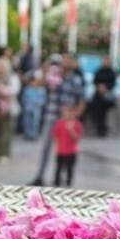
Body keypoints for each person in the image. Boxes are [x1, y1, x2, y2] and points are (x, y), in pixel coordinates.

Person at [32, 54, 85, 186]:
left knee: (65, 150)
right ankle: (40, 177)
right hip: (50, 117)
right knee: (46, 148)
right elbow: (37, 84)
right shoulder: (53, 74)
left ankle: (62, 179)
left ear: (73, 62)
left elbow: (82, 100)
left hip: (66, 121)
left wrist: (75, 117)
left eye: (68, 59)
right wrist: (44, 71)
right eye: (64, 59)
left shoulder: (76, 80)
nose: (65, 62)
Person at [0, 57, 21, 163]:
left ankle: (5, 154)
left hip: (8, 110)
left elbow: (14, 91)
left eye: (2, 67)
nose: (0, 69)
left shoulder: (13, 78)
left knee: (6, 133)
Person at [52, 105, 83, 187]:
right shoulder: (59, 123)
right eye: (65, 112)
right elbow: (55, 135)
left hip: (71, 151)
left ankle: (68, 183)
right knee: (58, 168)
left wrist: (71, 130)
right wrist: (57, 145)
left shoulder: (77, 124)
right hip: (61, 151)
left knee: (70, 169)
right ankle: (56, 183)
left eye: (70, 112)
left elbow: (77, 138)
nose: (68, 114)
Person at [90, 56, 117, 137]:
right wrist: (100, 87)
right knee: (97, 112)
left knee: (104, 113)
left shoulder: (112, 72)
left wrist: (106, 88)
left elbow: (113, 83)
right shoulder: (98, 71)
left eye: (107, 60)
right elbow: (95, 81)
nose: (105, 62)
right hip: (98, 95)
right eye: (104, 60)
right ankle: (99, 129)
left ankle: (103, 129)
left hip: (107, 96)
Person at [21, 72, 47, 140]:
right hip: (28, 108)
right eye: (32, 81)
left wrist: (37, 103)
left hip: (37, 108)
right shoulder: (27, 89)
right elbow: (24, 99)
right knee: (27, 121)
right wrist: (27, 103)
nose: (34, 83)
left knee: (35, 122)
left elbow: (43, 100)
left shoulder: (41, 90)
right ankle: (27, 134)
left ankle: (34, 134)